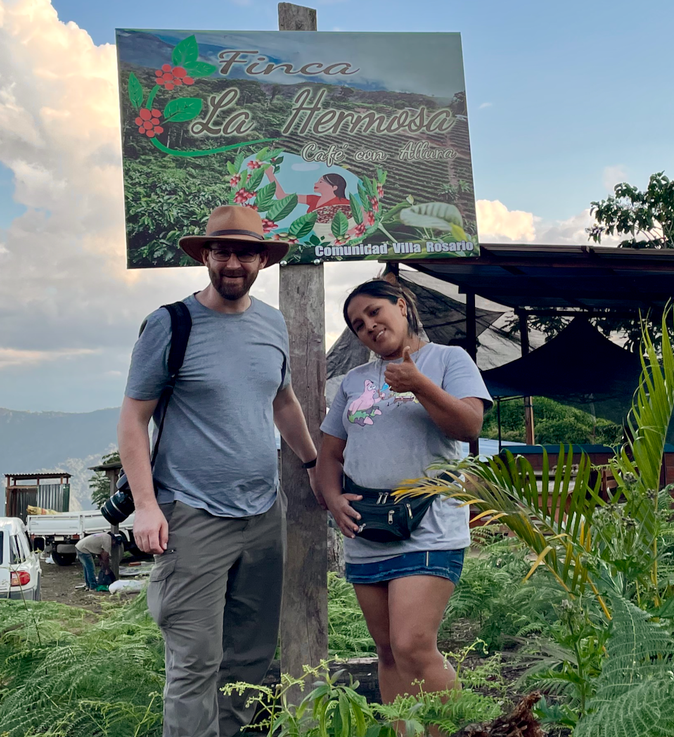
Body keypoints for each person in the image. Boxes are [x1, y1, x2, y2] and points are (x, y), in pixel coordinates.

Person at [117, 204, 322, 737]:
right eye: (223, 251)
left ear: (263, 260)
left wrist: (312, 463)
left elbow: (283, 402)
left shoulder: (272, 322)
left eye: (246, 252)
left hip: (262, 513)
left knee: (249, 661)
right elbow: (133, 418)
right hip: (192, 514)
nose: (234, 263)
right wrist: (145, 504)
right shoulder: (171, 324)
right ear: (205, 255)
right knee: (194, 664)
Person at [318, 278, 491, 707]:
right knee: (388, 650)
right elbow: (329, 456)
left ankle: (453, 731)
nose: (369, 326)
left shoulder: (449, 359)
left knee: (412, 644)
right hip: (367, 528)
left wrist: (420, 384)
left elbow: (469, 426)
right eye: (358, 324)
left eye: (375, 312)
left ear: (400, 305)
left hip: (429, 522)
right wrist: (333, 499)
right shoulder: (353, 382)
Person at [265, 168, 351, 214]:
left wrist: (350, 232)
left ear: (334, 187)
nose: (316, 183)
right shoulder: (313, 199)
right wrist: (269, 174)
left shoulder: (344, 203)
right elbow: (282, 196)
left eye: (320, 182)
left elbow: (363, 214)